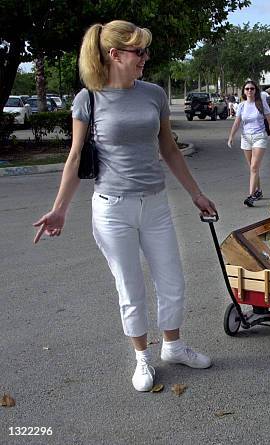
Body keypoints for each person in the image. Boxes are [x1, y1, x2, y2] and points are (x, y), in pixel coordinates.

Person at [32, 20, 217, 392]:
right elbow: (74, 158)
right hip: (112, 208)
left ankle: (173, 346)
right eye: (138, 52)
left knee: (172, 280)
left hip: (156, 204)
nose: (145, 58)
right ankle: (142, 358)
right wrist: (60, 209)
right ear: (114, 55)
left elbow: (168, 149)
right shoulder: (89, 98)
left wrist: (196, 193)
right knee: (130, 288)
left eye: (145, 51)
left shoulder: (154, 94)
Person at [227, 80, 270, 207]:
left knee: (254, 167)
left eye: (252, 89)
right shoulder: (242, 106)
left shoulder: (261, 104)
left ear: (256, 90)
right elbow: (237, 122)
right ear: (244, 91)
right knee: (252, 167)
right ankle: (258, 191)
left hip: (259, 137)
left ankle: (251, 196)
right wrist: (231, 137)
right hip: (246, 138)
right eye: (247, 89)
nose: (250, 91)